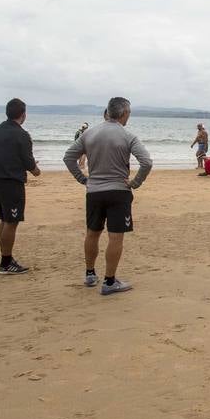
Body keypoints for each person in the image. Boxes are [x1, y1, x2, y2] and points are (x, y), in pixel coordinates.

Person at [63, 96, 153, 295]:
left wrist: (83, 179)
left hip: (94, 191)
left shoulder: (89, 134)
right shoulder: (127, 136)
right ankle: (110, 281)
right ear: (124, 113)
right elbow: (146, 162)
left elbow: (69, 157)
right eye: (129, 113)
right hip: (118, 191)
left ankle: (89, 274)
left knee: (92, 233)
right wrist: (135, 183)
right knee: (115, 237)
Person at [0, 98, 41, 276]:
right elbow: (27, 160)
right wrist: (36, 170)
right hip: (10, 182)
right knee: (11, 222)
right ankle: (5, 262)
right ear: (23, 114)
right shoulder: (21, 134)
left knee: (4, 220)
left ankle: (6, 258)